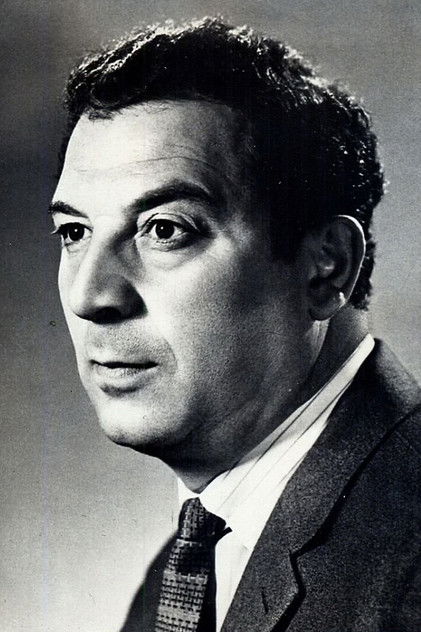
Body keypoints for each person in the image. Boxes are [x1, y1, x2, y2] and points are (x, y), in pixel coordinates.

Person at [50, 17, 420, 632]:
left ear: (325, 268)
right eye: (74, 232)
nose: (91, 296)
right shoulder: (182, 572)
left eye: (165, 229)